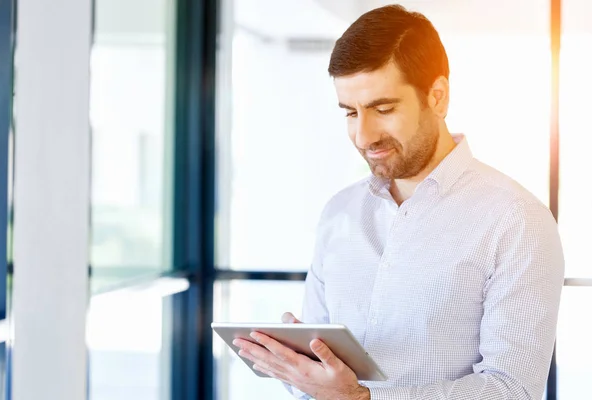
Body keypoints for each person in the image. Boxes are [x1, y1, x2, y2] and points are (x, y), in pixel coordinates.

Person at [232, 4, 564, 399]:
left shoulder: (517, 221)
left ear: (437, 97)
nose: (363, 136)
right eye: (350, 113)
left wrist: (363, 398)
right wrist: (299, 371)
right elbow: (324, 383)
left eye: (383, 109)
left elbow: (513, 390)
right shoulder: (340, 213)